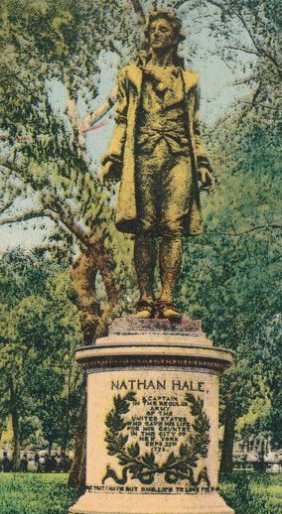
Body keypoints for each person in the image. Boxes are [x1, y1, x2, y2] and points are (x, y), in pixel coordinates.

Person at [101, 9, 213, 321]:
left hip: (179, 158)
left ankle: (167, 298)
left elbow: (195, 127)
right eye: (153, 30)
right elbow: (122, 119)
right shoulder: (132, 75)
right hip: (144, 157)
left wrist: (202, 163)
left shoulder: (189, 81)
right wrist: (113, 156)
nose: (155, 35)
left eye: (163, 30)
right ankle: (145, 298)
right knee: (145, 227)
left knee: (173, 227)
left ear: (176, 37)